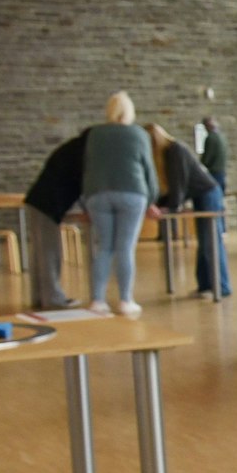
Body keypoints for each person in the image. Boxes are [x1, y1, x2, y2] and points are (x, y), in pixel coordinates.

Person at [79, 92, 160, 317]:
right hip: (132, 193)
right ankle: (125, 300)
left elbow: (86, 169)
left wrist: (84, 202)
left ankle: (97, 300)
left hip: (98, 194)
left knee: (104, 247)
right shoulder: (139, 134)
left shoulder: (94, 135)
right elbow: (148, 170)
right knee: (125, 247)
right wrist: (153, 199)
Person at [147, 123, 229, 299]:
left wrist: (170, 207)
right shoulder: (168, 153)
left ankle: (222, 286)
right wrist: (162, 205)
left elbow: (179, 184)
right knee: (205, 241)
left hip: (208, 193)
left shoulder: (175, 150)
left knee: (211, 242)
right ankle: (206, 285)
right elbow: (173, 187)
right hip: (201, 195)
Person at [23, 127, 94, 310]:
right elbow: (85, 184)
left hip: (38, 202)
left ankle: (40, 298)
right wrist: (88, 210)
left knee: (41, 253)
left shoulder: (71, 148)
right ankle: (53, 300)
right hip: (47, 205)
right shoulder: (83, 154)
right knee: (50, 252)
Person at [198, 116, 229, 191]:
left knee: (214, 194)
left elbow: (207, 158)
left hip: (214, 171)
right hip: (222, 170)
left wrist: (200, 166)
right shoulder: (222, 136)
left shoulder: (211, 138)